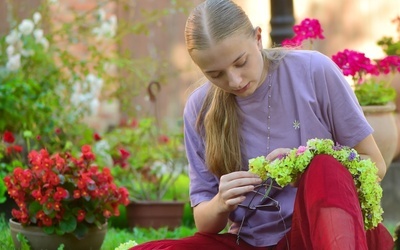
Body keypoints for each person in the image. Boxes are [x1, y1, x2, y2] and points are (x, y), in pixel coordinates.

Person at [131, 0, 394, 249]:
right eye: (215, 74)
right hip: (250, 242)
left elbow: (376, 165)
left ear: (258, 38)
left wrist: (306, 165)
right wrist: (221, 202)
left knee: (324, 165)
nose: (234, 81)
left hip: (322, 236)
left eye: (240, 62)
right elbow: (204, 222)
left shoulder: (314, 71)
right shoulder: (200, 108)